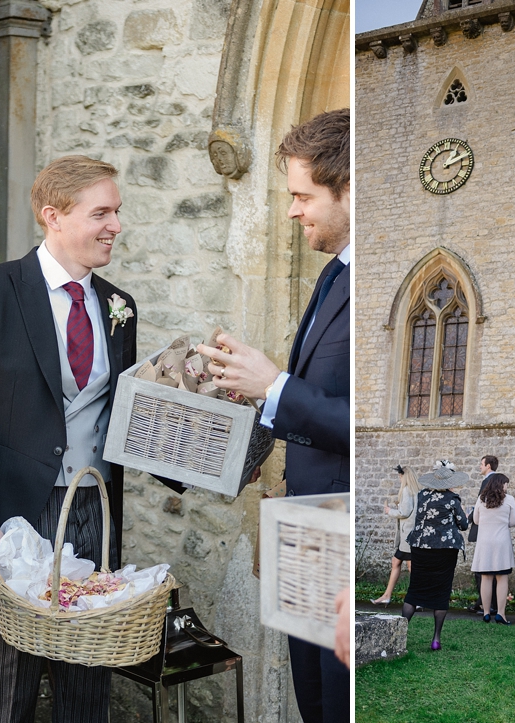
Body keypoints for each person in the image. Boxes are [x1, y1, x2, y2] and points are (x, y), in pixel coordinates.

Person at [0, 156, 156, 722]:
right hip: (10, 523)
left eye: (117, 212)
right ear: (53, 216)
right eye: (101, 212)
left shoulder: (118, 305)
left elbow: (120, 419)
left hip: (91, 513)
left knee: (86, 690)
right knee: (8, 695)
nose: (116, 226)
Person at [197, 109, 350, 723]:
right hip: (308, 527)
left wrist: (276, 385)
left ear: (349, 189)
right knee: (312, 701)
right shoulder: (335, 273)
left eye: (302, 196)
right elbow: (318, 396)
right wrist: (260, 392)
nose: (293, 211)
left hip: (336, 525)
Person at [403, 461, 470, 651]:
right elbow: (463, 525)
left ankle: (398, 633)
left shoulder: (422, 495)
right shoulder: (452, 499)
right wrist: (464, 514)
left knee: (415, 589)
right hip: (444, 550)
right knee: (441, 591)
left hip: (421, 547)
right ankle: (436, 639)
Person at [471, 474, 515, 624]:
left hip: (484, 542)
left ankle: (485, 612)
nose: (507, 487)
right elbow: (513, 521)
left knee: (486, 577)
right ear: (501, 484)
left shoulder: (481, 499)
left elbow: (476, 520)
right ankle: (501, 613)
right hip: (501, 542)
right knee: (502, 578)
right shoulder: (509, 499)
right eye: (506, 484)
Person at [371, 465, 420, 605]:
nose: (399, 479)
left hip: (407, 536)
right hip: (411, 535)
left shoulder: (406, 490)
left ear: (404, 477)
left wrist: (390, 511)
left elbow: (404, 512)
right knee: (398, 562)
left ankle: (416, 598)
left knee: (409, 566)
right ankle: (388, 595)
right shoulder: (416, 491)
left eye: (400, 476)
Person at [468, 454, 501, 615]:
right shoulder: (494, 480)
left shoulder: (488, 481)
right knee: (485, 569)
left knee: (484, 568)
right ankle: (483, 601)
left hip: (485, 529)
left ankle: (487, 604)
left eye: (481, 464)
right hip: (491, 530)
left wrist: (467, 518)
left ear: (488, 466)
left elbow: (480, 504)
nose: (480, 467)